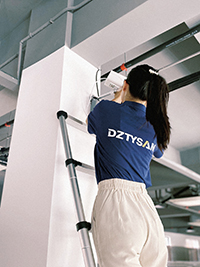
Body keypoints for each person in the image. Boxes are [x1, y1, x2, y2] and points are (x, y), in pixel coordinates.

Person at [87, 64, 171, 267]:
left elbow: (91, 126)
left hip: (117, 206)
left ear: (125, 85)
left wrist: (118, 96)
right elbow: (157, 151)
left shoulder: (107, 109)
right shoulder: (155, 126)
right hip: (146, 207)